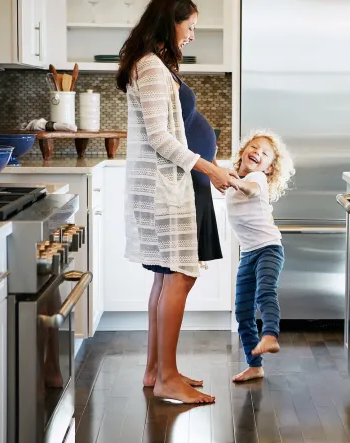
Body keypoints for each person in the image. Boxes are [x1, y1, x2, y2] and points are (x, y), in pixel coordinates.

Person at [116, 0, 238, 404]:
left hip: (179, 184)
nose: (191, 34)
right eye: (190, 26)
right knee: (179, 277)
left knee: (167, 278)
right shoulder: (150, 66)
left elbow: (176, 133)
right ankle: (167, 377)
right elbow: (160, 138)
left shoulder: (155, 64)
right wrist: (209, 168)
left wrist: (212, 168)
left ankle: (157, 370)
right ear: (171, 23)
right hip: (168, 188)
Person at [226, 130, 295, 382]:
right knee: (242, 312)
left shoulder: (257, 179)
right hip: (248, 254)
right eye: (254, 147)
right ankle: (255, 366)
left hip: (269, 249)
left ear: (269, 169)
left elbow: (252, 189)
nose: (257, 152)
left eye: (265, 154)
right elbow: (221, 176)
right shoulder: (234, 178)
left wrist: (234, 181)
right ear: (243, 151)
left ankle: (270, 335)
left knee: (265, 292)